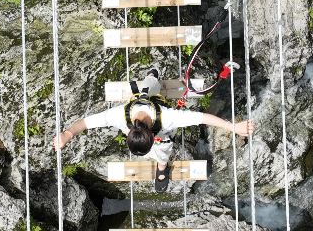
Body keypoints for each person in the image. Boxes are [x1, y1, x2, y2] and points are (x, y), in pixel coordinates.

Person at [53, 70, 254, 191]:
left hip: (160, 126)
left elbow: (202, 118)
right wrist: (67, 135)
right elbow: (84, 124)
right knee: (149, 85)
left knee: (163, 151)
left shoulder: (168, 119)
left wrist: (233, 127)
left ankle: (161, 167)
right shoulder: (118, 116)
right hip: (146, 99)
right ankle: (151, 75)